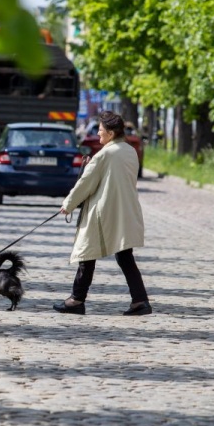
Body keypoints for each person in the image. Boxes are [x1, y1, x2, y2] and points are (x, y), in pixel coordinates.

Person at [53, 110, 152, 316]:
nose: (98, 135)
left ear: (111, 132)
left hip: (104, 211)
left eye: (100, 131)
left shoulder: (106, 153)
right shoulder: (129, 150)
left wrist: (68, 204)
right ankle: (140, 300)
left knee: (87, 253)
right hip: (126, 210)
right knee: (125, 257)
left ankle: (76, 300)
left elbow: (86, 183)